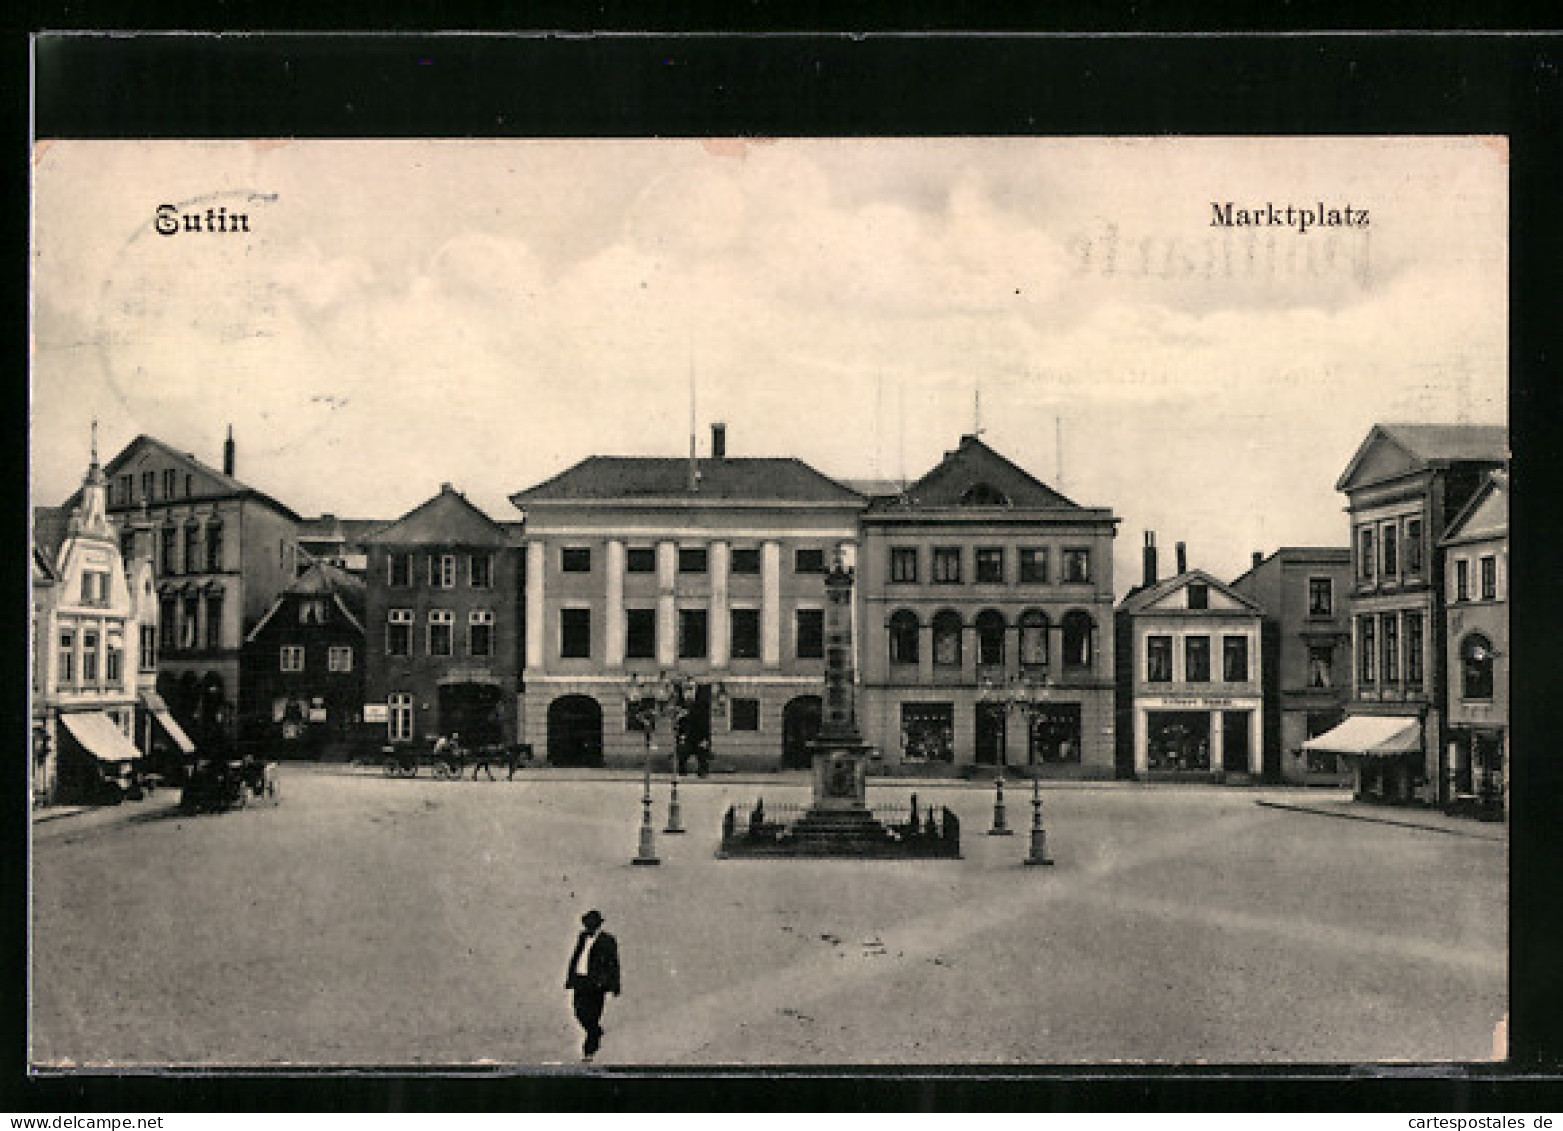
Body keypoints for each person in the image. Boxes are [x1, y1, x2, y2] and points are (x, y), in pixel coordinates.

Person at [564, 909, 620, 1061]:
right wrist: (570, 978)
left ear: (597, 924)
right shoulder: (582, 937)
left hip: (596, 984)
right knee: (579, 1011)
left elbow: (613, 963)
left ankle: (589, 1051)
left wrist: (614, 984)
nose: (588, 927)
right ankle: (595, 1032)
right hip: (580, 981)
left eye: (590, 924)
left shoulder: (607, 940)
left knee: (593, 1015)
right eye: (586, 924)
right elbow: (577, 957)